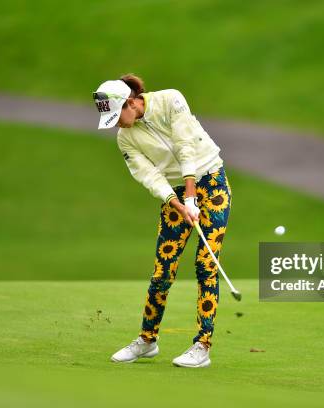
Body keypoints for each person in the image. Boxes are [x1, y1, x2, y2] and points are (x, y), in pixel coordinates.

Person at [93, 74, 232, 368]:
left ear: (131, 102)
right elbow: (149, 175)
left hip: (213, 184)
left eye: (118, 116)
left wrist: (193, 196)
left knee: (206, 264)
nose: (117, 123)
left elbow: (186, 146)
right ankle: (147, 339)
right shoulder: (125, 138)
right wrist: (178, 203)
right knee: (163, 269)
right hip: (176, 196)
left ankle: (202, 346)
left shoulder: (170, 99)